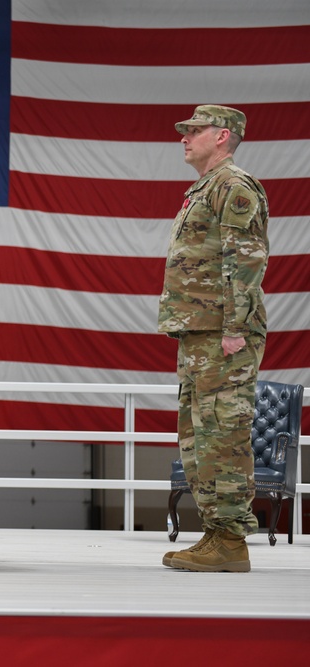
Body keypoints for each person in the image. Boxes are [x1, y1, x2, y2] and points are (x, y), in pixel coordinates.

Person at [159, 105, 269, 573]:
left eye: (195, 131)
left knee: (223, 434)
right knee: (199, 437)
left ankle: (230, 540)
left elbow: (244, 261)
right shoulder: (205, 187)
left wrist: (235, 329)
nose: (185, 138)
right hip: (200, 333)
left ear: (222, 136)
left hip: (223, 334)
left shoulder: (234, 186)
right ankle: (215, 533)